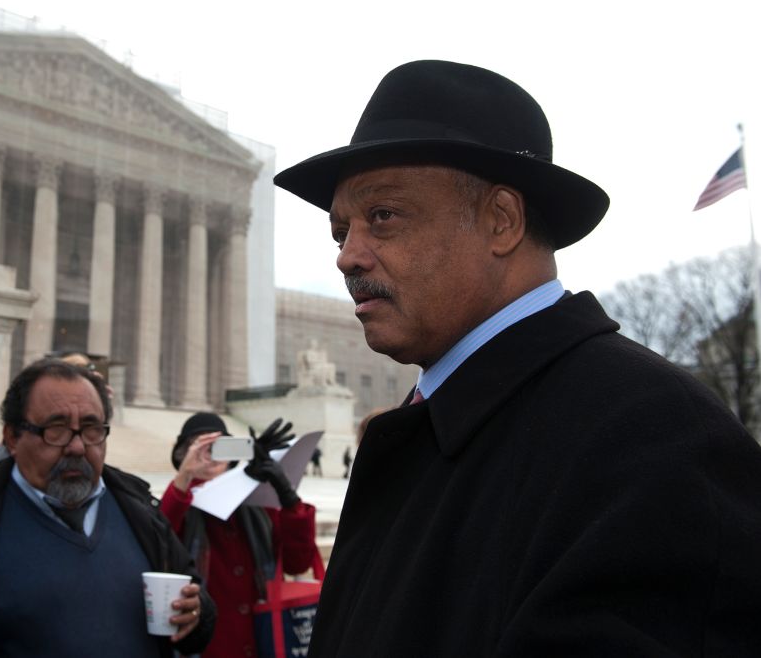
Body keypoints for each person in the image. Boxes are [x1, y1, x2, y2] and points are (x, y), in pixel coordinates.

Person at [273, 59, 761, 655]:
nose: (347, 257)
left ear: (500, 220)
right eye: (339, 232)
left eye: (382, 216)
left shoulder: (655, 438)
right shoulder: (437, 420)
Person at [0, 359, 215, 657]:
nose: (77, 447)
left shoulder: (139, 509)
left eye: (91, 429)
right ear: (12, 437)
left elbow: (193, 608)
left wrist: (197, 613)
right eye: (56, 428)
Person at [159, 413, 317, 658]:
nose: (209, 455)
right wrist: (185, 476)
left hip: (260, 640)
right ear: (183, 454)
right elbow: (158, 543)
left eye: (218, 447)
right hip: (207, 646)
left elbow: (298, 562)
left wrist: (287, 496)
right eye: (199, 447)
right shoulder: (178, 503)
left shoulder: (256, 508)